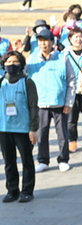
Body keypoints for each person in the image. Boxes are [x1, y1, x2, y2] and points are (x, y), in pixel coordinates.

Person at [26, 27, 75, 172]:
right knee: (42, 133)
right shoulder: (32, 59)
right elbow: (22, 73)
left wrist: (68, 102)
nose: (43, 44)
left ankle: (63, 159)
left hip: (59, 103)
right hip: (40, 103)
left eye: (45, 41)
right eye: (40, 41)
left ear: (52, 43)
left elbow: (71, 80)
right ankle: (43, 160)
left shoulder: (62, 58)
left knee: (62, 134)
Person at [1, 51, 38, 203]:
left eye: (15, 62)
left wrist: (33, 129)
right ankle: (12, 190)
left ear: (21, 65)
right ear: (3, 65)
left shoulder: (28, 82)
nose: (12, 65)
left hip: (23, 129)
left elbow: (33, 107)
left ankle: (27, 190)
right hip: (4, 129)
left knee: (27, 161)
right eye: (8, 62)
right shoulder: (1, 82)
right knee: (9, 162)